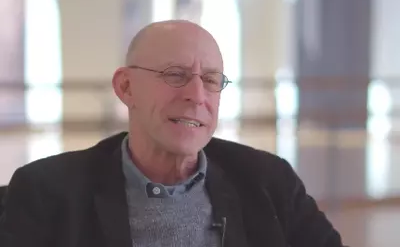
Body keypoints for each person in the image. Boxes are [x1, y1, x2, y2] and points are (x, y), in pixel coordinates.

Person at [0, 20, 345, 247]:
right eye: (175, 75)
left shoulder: (269, 181)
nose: (196, 96)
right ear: (126, 87)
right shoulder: (47, 192)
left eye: (210, 80)